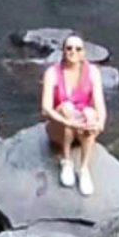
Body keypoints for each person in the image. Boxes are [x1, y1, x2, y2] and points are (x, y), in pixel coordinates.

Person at [40, 33, 105, 196]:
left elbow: (99, 104)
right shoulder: (52, 73)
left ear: (83, 52)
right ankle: (66, 160)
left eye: (78, 49)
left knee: (90, 113)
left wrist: (100, 122)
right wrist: (69, 123)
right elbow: (46, 108)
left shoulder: (92, 72)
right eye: (69, 48)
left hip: (81, 126)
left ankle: (84, 169)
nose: (73, 52)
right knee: (67, 108)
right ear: (63, 51)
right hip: (61, 126)